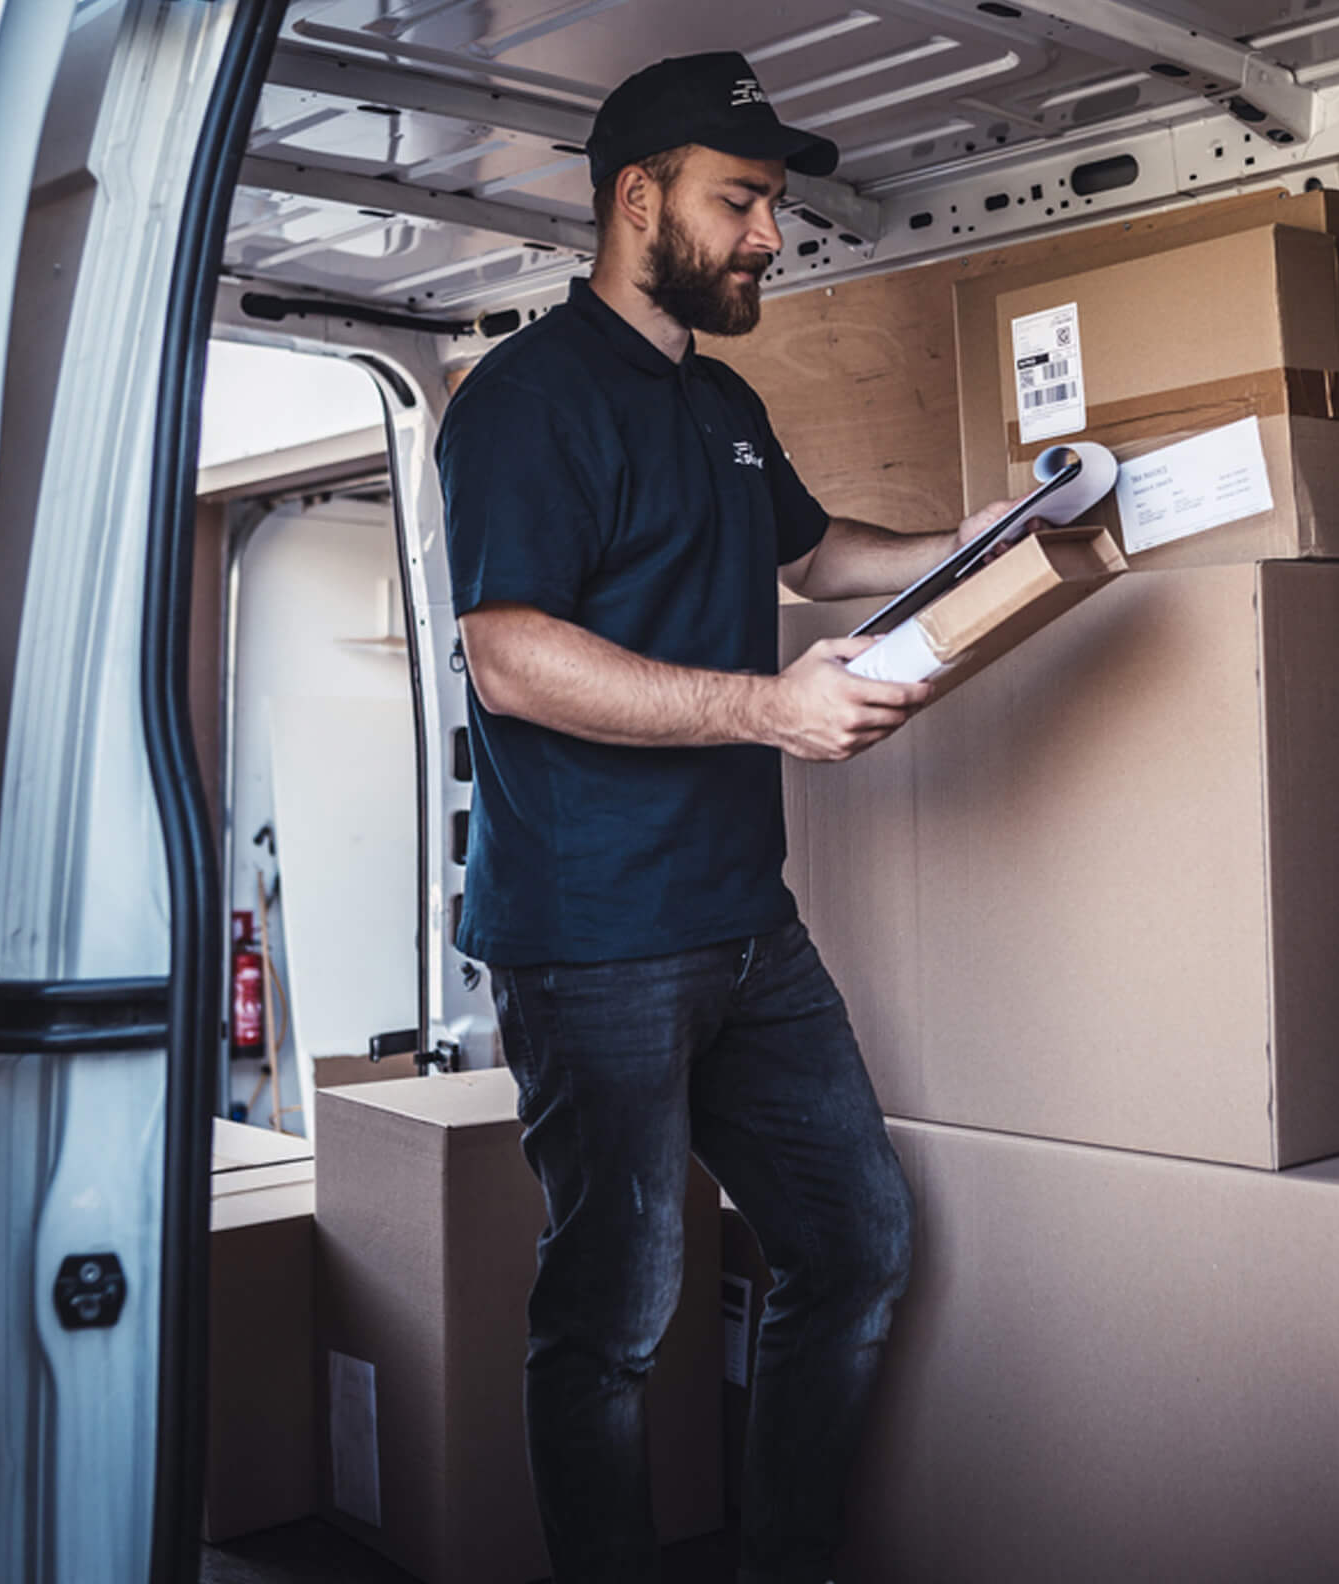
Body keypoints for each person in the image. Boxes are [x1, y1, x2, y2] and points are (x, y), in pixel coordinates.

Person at [434, 50, 1015, 1584]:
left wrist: (985, 535)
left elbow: (819, 559)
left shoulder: (724, 400)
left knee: (857, 1245)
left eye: (771, 205)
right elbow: (507, 656)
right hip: (593, 940)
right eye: (743, 201)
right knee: (616, 1324)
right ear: (639, 201)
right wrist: (768, 707)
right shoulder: (526, 403)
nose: (772, 236)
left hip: (744, 927)